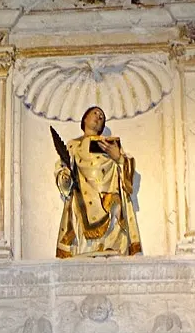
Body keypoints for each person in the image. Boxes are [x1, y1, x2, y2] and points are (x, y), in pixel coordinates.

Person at [55, 106, 141, 259]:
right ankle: (85, 250)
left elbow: (127, 169)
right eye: (94, 113)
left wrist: (118, 158)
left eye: (101, 115)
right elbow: (63, 168)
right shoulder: (73, 145)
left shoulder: (110, 144)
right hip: (83, 196)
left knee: (114, 210)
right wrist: (65, 177)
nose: (98, 116)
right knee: (80, 216)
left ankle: (111, 246)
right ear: (84, 119)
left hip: (109, 194)